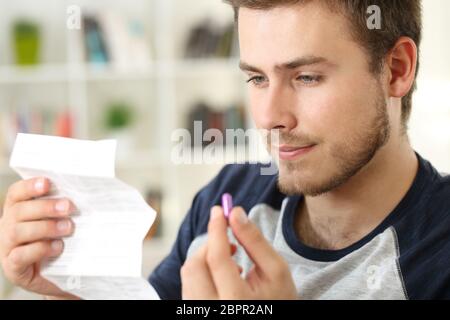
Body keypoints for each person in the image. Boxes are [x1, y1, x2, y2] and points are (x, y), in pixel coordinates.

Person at [1, 0, 450, 300]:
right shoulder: (228, 195)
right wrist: (76, 286)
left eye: (306, 77)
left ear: (396, 70)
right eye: (256, 78)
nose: (270, 116)